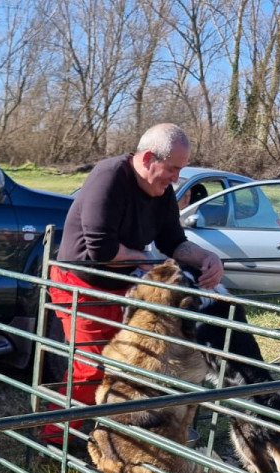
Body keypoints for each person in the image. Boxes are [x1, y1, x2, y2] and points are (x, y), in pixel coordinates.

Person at [43, 124, 224, 442]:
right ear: (149, 158)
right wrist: (144, 258)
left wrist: (207, 257)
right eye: (172, 169)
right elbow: (101, 249)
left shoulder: (162, 192)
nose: (176, 179)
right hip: (79, 282)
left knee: (130, 360)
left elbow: (174, 243)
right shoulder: (109, 176)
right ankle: (54, 439)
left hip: (120, 286)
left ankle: (116, 431)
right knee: (91, 366)